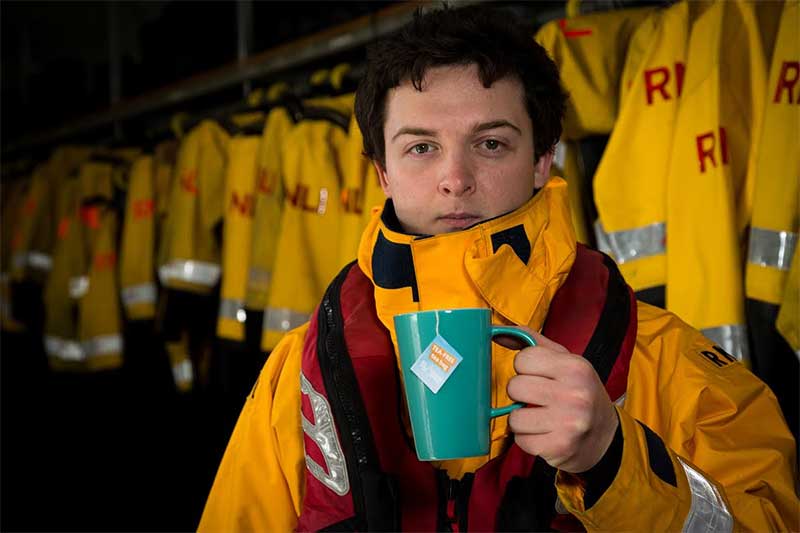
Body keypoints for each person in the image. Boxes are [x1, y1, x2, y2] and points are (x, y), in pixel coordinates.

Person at [199, 5, 799, 532]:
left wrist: (616, 462)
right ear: (381, 172)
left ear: (542, 160)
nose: (454, 178)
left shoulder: (665, 361)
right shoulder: (301, 375)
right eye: (421, 146)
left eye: (490, 143)